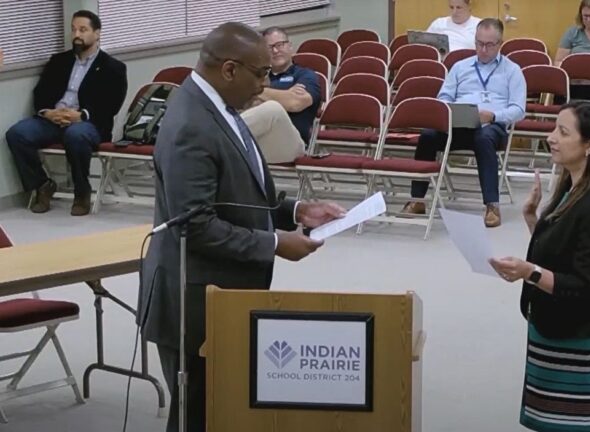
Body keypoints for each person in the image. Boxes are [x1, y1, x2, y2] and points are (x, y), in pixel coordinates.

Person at [136, 22, 345, 432]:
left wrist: (296, 211)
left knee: (225, 409)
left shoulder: (219, 105)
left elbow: (235, 191)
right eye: (260, 73)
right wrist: (274, 243)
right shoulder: (191, 124)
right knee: (198, 415)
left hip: (223, 294)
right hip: (194, 300)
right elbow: (195, 225)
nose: (265, 84)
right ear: (229, 69)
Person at [489, 101, 590, 432]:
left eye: (563, 132)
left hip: (579, 337)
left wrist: (529, 272)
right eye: (554, 129)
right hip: (551, 327)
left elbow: (586, 285)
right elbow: (561, 251)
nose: (551, 137)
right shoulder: (571, 189)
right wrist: (533, 220)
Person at [402, 18, 526, 228]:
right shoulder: (460, 67)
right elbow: (443, 97)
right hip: (458, 124)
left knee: (484, 138)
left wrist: (493, 116)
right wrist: (449, 109)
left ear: (500, 44)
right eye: (479, 43)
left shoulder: (512, 71)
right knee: (428, 136)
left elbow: (519, 109)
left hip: (492, 126)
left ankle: (492, 205)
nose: (483, 49)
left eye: (489, 45)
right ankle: (417, 199)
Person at [5, 10, 127, 216]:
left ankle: (82, 192)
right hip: (53, 120)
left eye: (83, 30)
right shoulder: (59, 61)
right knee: (17, 134)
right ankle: (42, 185)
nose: (77, 34)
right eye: (74, 29)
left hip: (88, 123)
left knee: (76, 134)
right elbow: (40, 93)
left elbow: (111, 104)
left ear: (97, 33)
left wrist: (81, 115)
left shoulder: (112, 67)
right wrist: (48, 113)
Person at [241, 26, 321, 156]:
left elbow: (295, 103)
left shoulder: (305, 75)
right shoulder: (259, 77)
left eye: (280, 45)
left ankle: (224, 136)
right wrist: (284, 95)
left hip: (291, 145)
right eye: (269, 47)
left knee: (273, 108)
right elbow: (245, 104)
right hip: (259, 141)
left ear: (290, 46)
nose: (275, 50)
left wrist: (257, 92)